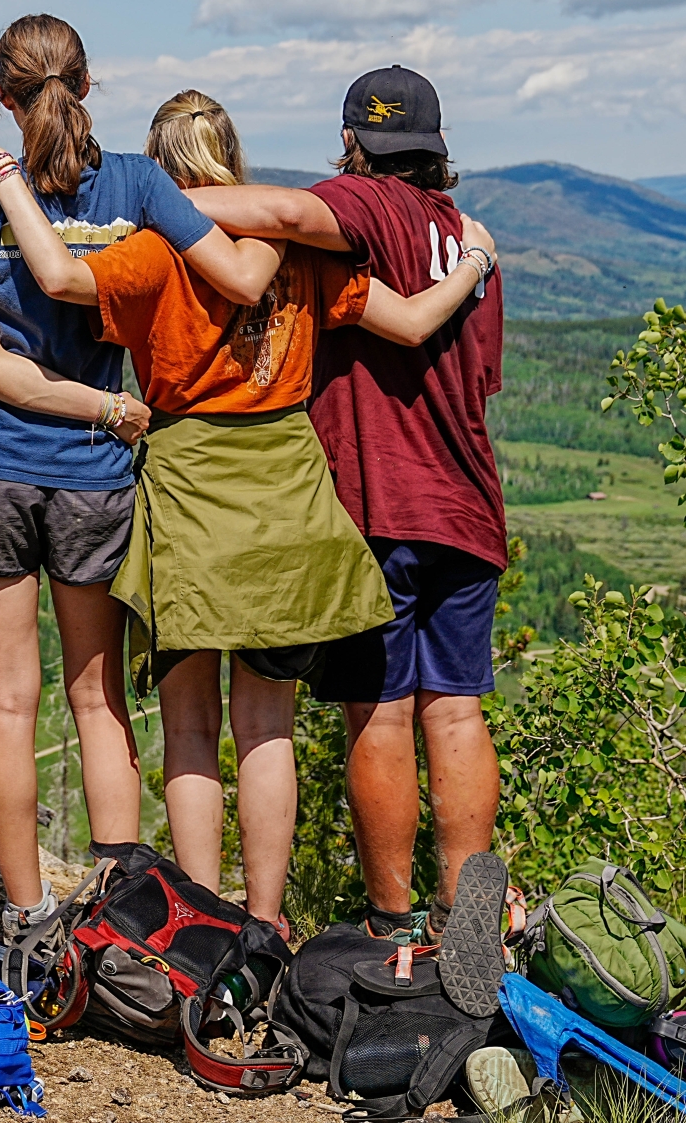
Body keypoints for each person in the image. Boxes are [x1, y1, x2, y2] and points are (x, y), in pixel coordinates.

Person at [0, 89, 493, 929]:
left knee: (190, 728)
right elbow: (415, 321)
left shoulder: (148, 253)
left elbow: (59, 284)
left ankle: (203, 922)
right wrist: (472, 262)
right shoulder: (300, 254)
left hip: (187, 483)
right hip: (286, 490)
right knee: (267, 727)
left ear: (160, 170)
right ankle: (271, 921)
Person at [0, 14, 282, 937]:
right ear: (90, 81)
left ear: (3, 95)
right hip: (96, 468)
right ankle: (118, 910)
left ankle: (27, 909)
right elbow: (232, 272)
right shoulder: (137, 181)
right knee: (96, 694)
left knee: (7, 696)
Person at [178, 64, 508, 944]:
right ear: (435, 148)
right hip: (468, 502)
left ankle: (393, 921)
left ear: (355, 143)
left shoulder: (361, 208)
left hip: (380, 500)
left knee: (384, 712)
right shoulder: (466, 240)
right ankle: (464, 911)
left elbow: (284, 216)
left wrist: (157, 194)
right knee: (459, 708)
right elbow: (480, 379)